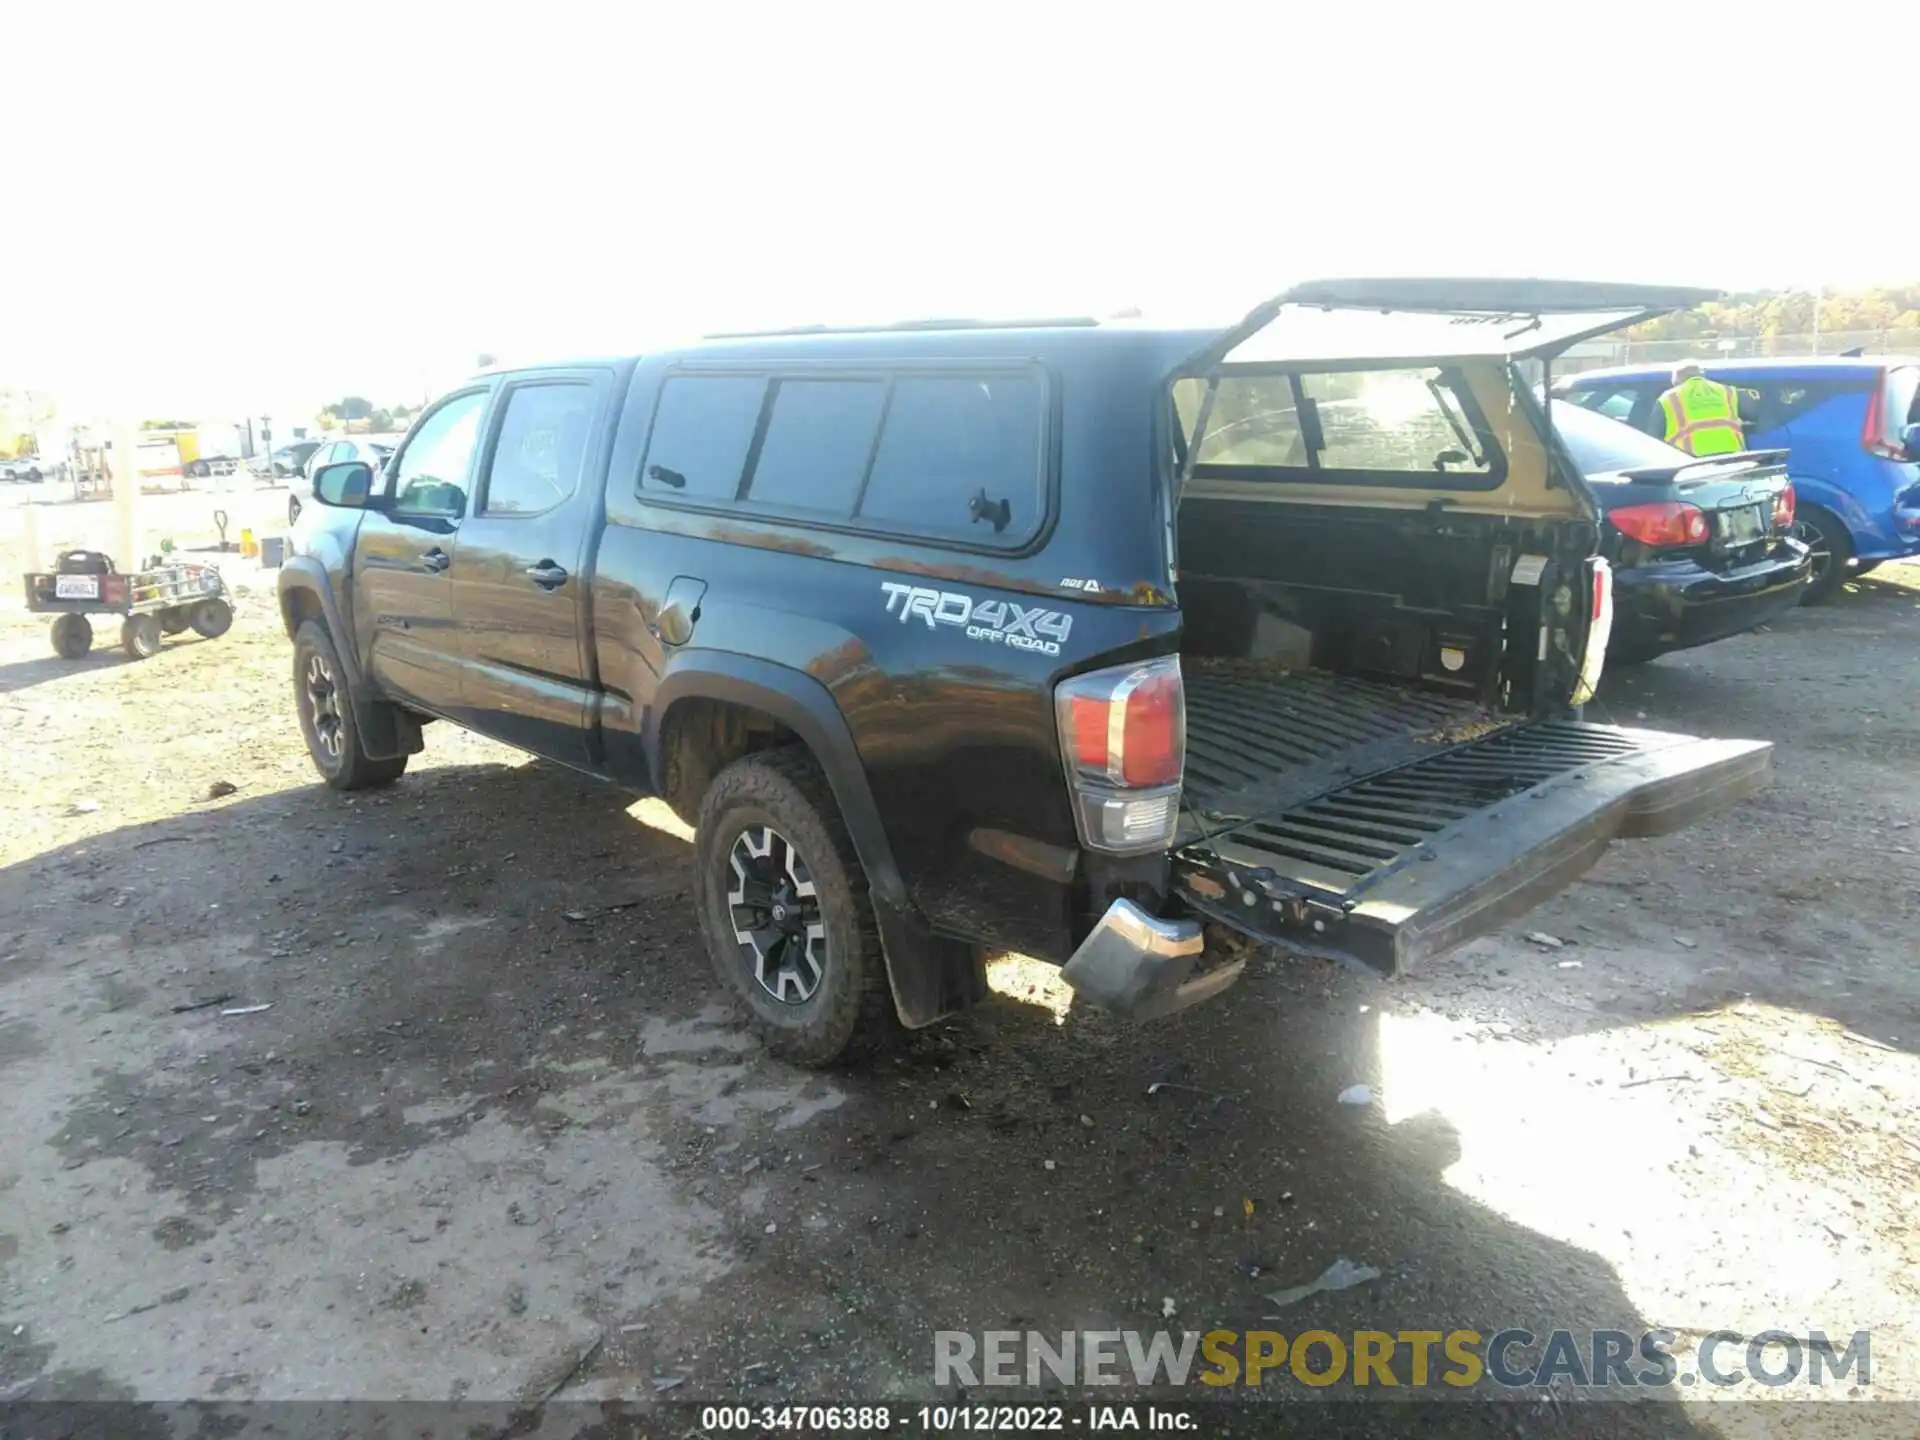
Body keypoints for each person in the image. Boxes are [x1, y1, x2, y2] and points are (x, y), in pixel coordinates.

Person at [1657, 363, 1746, 456]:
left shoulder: (1668, 397)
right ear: (1701, 376)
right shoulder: (1727, 390)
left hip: (1692, 461)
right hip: (1733, 458)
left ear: (1676, 380)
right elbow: (1751, 412)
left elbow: (1653, 439)